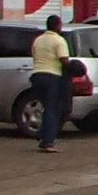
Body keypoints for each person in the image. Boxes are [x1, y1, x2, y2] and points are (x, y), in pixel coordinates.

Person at [30, 13, 72, 152]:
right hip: (52, 77)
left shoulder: (38, 40)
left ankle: (43, 136)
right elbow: (64, 60)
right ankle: (48, 142)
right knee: (53, 110)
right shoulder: (59, 41)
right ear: (58, 26)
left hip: (37, 76)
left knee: (46, 108)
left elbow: (35, 55)